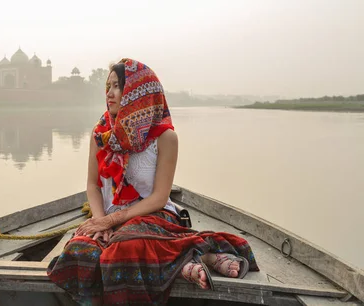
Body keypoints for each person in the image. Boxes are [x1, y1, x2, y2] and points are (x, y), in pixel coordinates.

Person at [47, 58, 259, 305]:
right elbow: (93, 185)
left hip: (153, 215)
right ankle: (185, 262)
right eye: (108, 87)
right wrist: (100, 222)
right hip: (106, 216)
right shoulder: (101, 134)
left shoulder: (165, 137)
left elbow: (159, 197)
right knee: (78, 253)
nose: (110, 94)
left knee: (124, 249)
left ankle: (198, 255)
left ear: (138, 93)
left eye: (118, 87)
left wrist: (111, 220)